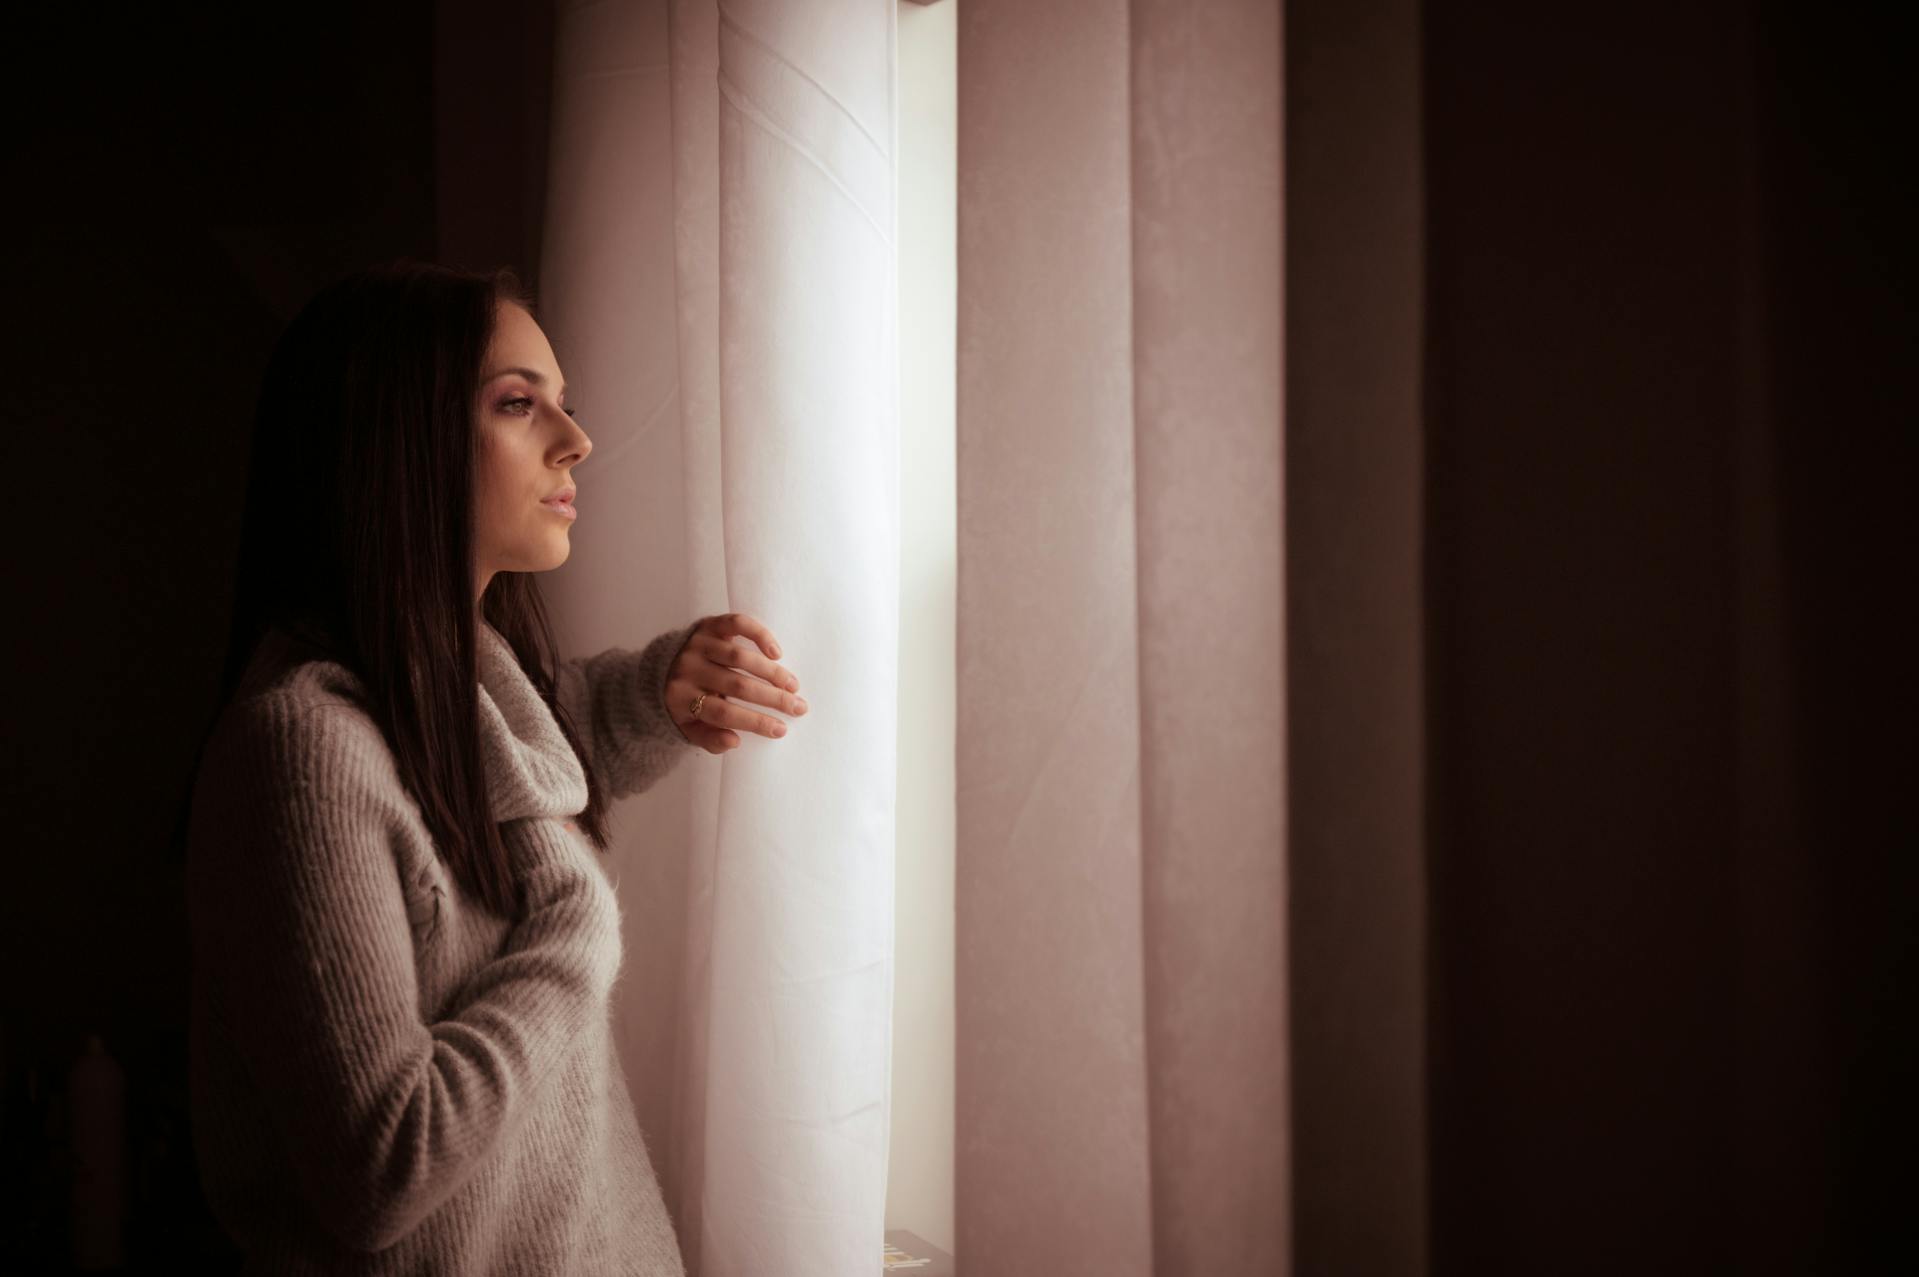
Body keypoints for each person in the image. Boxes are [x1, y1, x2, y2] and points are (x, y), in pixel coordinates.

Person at [182, 259, 809, 1273]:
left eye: (562, 401)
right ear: (392, 438)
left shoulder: (464, 678)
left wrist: (658, 687)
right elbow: (381, 1166)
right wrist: (575, 926)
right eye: (518, 404)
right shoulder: (300, 750)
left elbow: (518, 774)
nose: (577, 439)